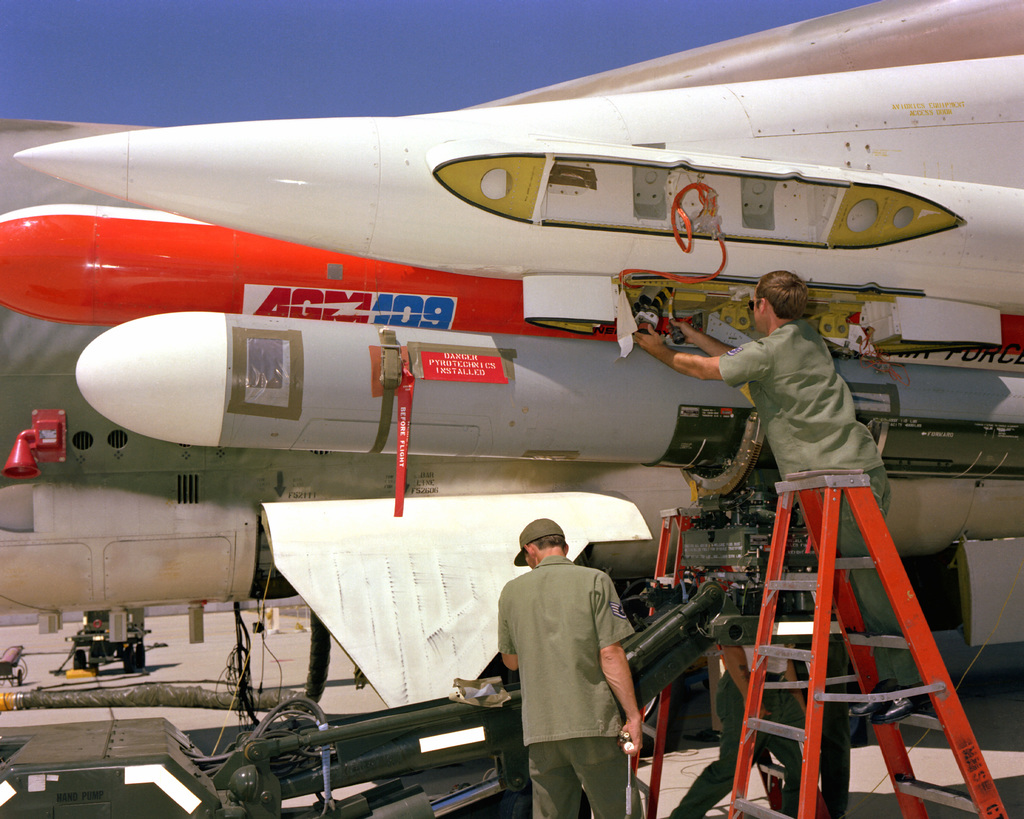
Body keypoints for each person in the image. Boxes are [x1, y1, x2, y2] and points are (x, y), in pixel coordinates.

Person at [634, 270, 925, 810]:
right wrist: (692, 332)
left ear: (762, 303)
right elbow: (741, 357)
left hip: (843, 479)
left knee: (869, 582)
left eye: (752, 305)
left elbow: (707, 370)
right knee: (852, 580)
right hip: (835, 477)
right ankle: (890, 681)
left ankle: (903, 683)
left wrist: (653, 345)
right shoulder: (802, 339)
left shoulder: (775, 350)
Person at [498, 518, 643, 818]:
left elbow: (511, 661)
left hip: (540, 731)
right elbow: (611, 655)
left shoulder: (511, 592)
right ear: (564, 548)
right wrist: (633, 716)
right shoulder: (595, 581)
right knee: (619, 812)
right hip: (592, 723)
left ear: (530, 551)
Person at [669, 644, 805, 818]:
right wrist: (750, 695)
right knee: (731, 768)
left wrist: (799, 702)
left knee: (804, 764)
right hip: (744, 686)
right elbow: (730, 647)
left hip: (780, 687)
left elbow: (785, 658)